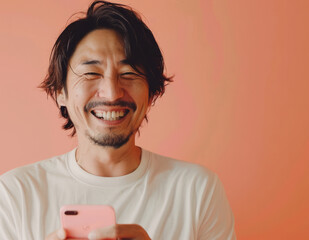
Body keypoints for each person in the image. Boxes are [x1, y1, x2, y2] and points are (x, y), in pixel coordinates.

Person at [0, 1, 236, 239]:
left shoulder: (197, 190)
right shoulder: (15, 194)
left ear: (152, 92)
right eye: (92, 73)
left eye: (128, 74)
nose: (112, 93)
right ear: (61, 91)